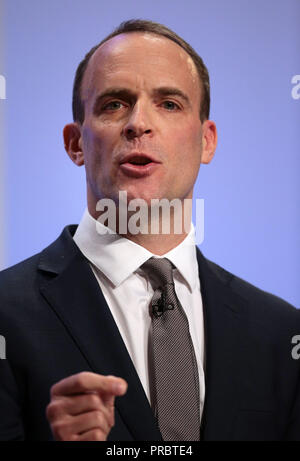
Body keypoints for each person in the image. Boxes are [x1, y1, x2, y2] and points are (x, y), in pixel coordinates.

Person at [0, 19, 299, 442]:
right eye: (114, 104)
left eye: (169, 104)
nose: (138, 122)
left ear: (206, 141)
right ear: (76, 144)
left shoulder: (282, 334)